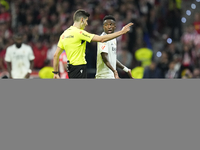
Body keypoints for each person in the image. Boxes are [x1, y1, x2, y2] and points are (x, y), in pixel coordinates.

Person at [53, 9, 133, 79]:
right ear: (82, 20)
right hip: (79, 67)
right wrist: (121, 32)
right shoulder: (79, 33)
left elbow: (56, 55)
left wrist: (56, 73)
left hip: (70, 69)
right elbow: (101, 39)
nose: (87, 23)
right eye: (86, 20)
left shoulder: (64, 34)